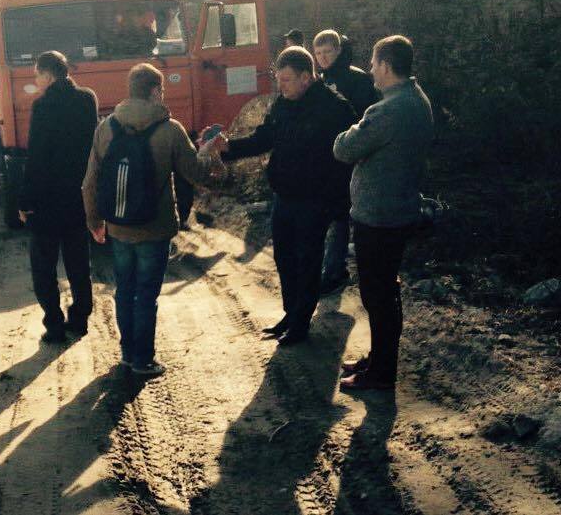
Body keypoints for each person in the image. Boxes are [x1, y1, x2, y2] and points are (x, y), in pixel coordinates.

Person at [82, 63, 221, 377]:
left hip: (118, 225)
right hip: (155, 228)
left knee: (123, 290)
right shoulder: (171, 130)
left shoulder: (106, 128)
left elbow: (89, 181)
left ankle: (128, 355)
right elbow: (196, 174)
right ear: (156, 91)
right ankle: (144, 360)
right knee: (146, 294)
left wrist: (94, 221)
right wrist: (207, 152)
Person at [216, 47, 356, 345]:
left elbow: (348, 158)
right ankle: (291, 313)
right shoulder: (283, 103)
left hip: (316, 199)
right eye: (279, 80)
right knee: (284, 258)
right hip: (285, 196)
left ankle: (301, 323)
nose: (281, 86)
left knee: (307, 261)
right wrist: (228, 148)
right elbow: (263, 138)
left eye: (287, 80)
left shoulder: (335, 108)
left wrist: (337, 203)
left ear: (307, 77)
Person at [333, 35, 433, 391]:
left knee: (378, 296)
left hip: (379, 216)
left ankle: (380, 374)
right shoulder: (417, 100)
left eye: (374, 63)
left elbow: (344, 148)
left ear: (386, 66)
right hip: (399, 209)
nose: (371, 69)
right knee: (385, 293)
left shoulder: (387, 110)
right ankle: (379, 360)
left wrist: (354, 127)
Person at [19, 51, 99, 343]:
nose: (36, 81)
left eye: (37, 76)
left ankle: (54, 324)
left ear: (49, 75)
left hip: (48, 201)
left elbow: (36, 157)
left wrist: (25, 202)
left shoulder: (43, 106)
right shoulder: (87, 99)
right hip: (79, 196)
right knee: (79, 263)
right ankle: (79, 319)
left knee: (44, 266)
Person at [312, 30, 381, 294]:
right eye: (318, 54)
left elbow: (366, 119)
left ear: (338, 50)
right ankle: (332, 267)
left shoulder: (358, 79)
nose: (323, 58)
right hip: (325, 157)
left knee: (341, 213)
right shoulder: (320, 81)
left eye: (328, 52)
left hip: (350, 155)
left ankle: (335, 270)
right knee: (330, 213)